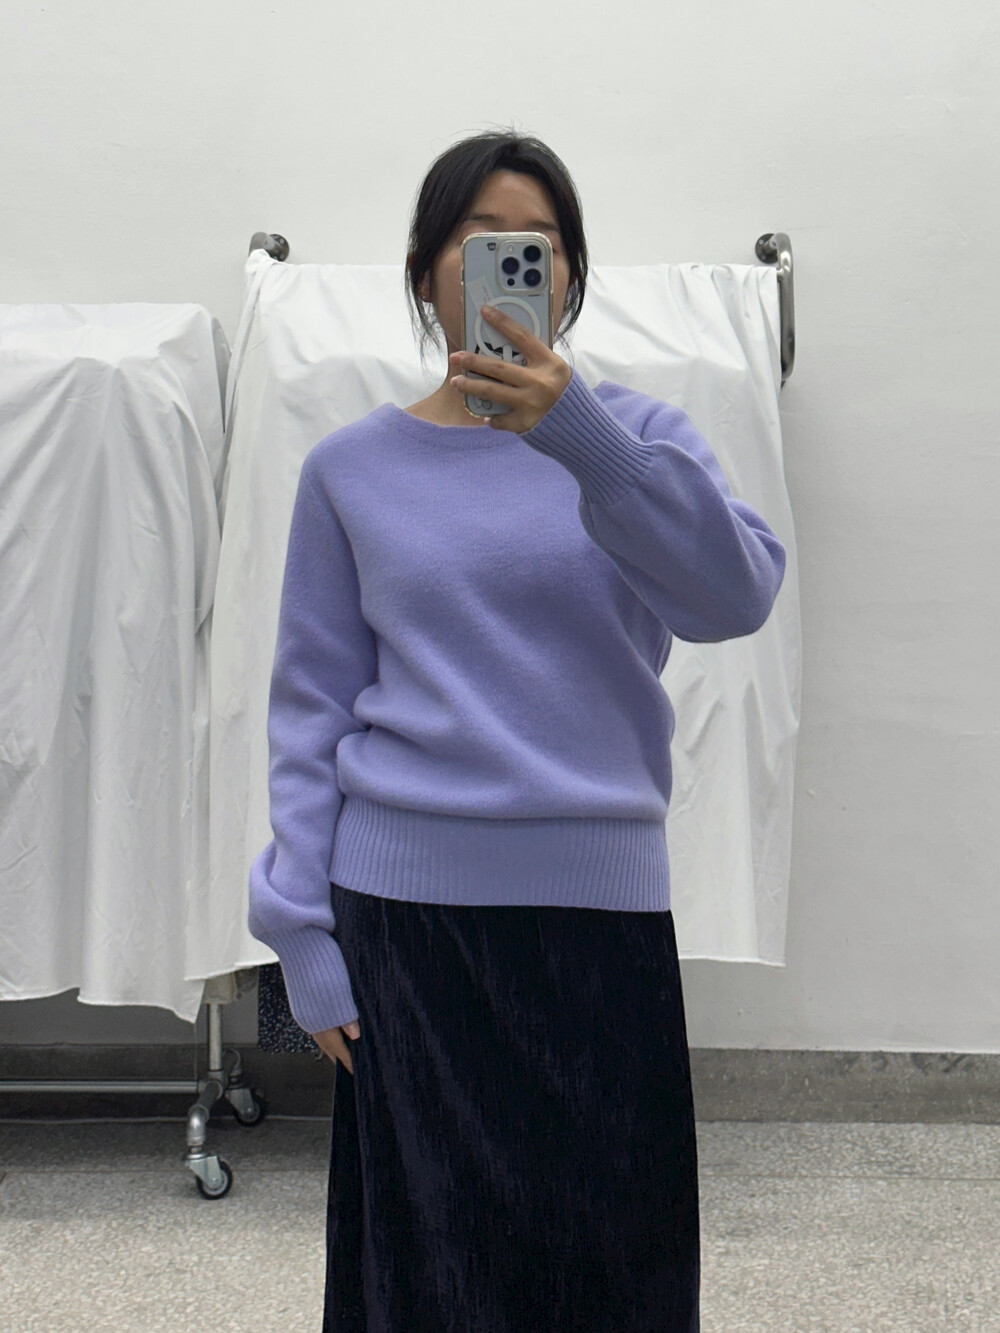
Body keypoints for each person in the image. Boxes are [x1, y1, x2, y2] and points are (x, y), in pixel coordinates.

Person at [247, 127, 786, 1333]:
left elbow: (733, 599)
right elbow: (310, 706)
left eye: (535, 246)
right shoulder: (350, 469)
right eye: (479, 241)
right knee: (423, 1267)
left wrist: (577, 438)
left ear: (570, 275)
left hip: (599, 915)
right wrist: (298, 930)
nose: (507, 263)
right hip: (404, 919)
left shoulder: (636, 442)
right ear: (425, 270)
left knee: (615, 1261)